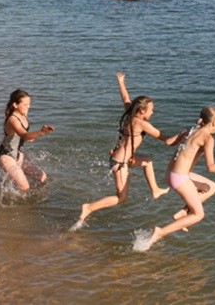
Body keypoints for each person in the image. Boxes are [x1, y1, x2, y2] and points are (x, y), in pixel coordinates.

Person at [76, 73, 179, 227]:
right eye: (151, 110)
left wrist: (120, 81)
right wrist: (187, 134)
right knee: (121, 197)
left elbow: (125, 98)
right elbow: (167, 140)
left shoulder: (130, 112)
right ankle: (89, 207)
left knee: (147, 161)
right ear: (142, 111)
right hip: (120, 162)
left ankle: (155, 190)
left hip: (121, 158)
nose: (153, 113)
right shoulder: (142, 124)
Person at [144, 106, 215, 249]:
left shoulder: (190, 130)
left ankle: (183, 212)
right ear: (213, 123)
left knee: (211, 187)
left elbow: (168, 142)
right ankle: (160, 232)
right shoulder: (208, 138)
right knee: (199, 214)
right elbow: (211, 167)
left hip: (170, 173)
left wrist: (187, 132)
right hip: (179, 177)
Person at [0, 89, 55, 193]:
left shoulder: (23, 114)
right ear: (15, 105)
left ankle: (36, 199)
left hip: (18, 155)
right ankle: (22, 207)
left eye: (29, 104)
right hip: (6, 156)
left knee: (42, 177)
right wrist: (41, 132)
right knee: (24, 186)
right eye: (25, 104)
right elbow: (24, 135)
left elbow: (23, 134)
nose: (29, 107)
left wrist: (32, 136)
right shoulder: (13, 119)